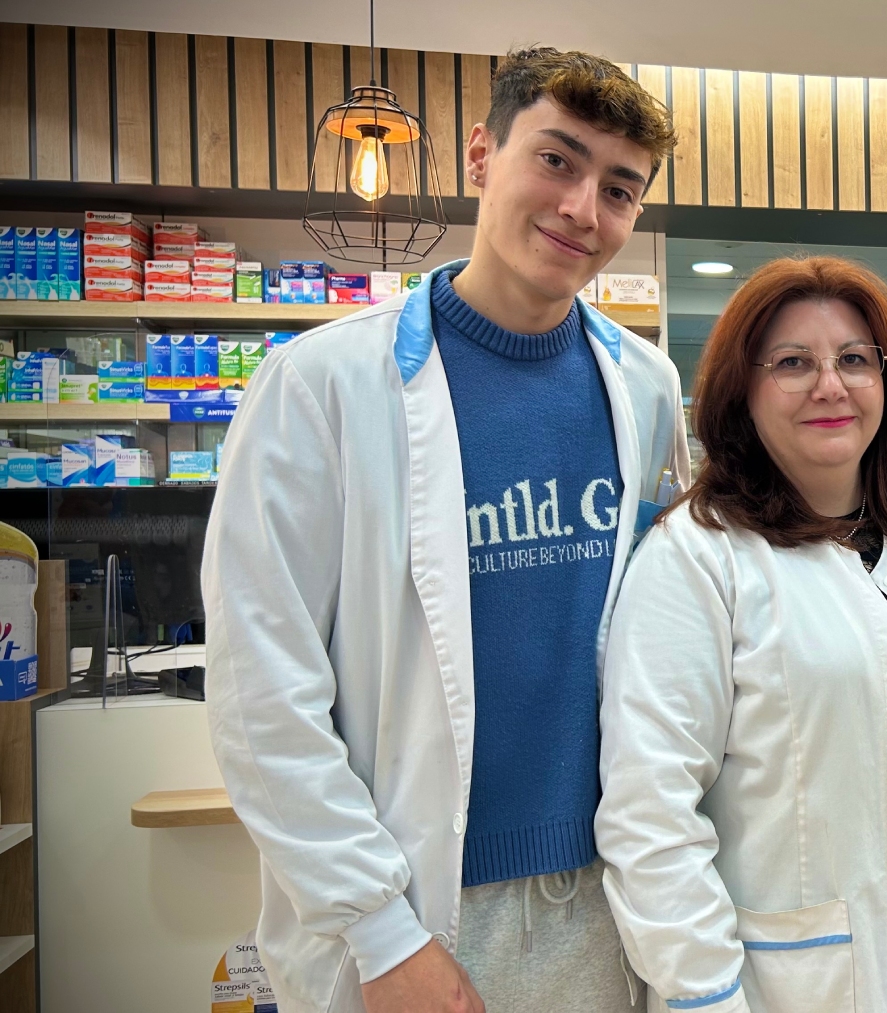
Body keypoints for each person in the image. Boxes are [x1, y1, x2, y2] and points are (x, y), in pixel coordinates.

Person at [203, 48, 688, 1013]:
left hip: (609, 901)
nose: (582, 208)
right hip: (414, 908)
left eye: (619, 189)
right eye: (557, 160)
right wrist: (383, 934)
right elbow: (261, 689)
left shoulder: (646, 387)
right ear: (480, 156)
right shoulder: (321, 384)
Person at [596, 257, 887, 1013]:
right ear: (741, 391)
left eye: (853, 359)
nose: (830, 385)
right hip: (797, 983)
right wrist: (704, 995)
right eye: (792, 363)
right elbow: (651, 816)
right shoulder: (697, 559)